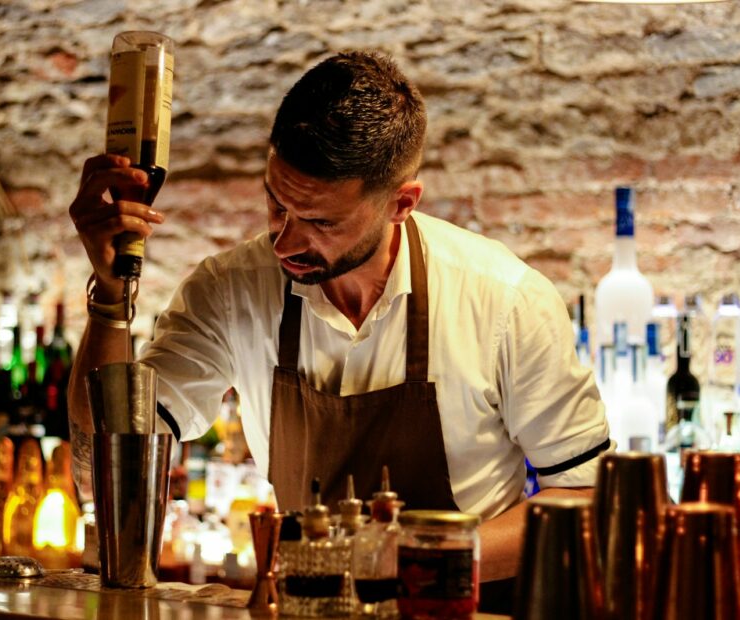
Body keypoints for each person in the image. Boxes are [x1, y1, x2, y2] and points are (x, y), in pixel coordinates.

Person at [67, 50, 610, 612]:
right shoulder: (231, 289)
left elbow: (586, 498)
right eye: (276, 205)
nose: (284, 242)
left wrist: (403, 556)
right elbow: (98, 470)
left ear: (401, 203)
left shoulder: (505, 299)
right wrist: (110, 298)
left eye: (321, 222)